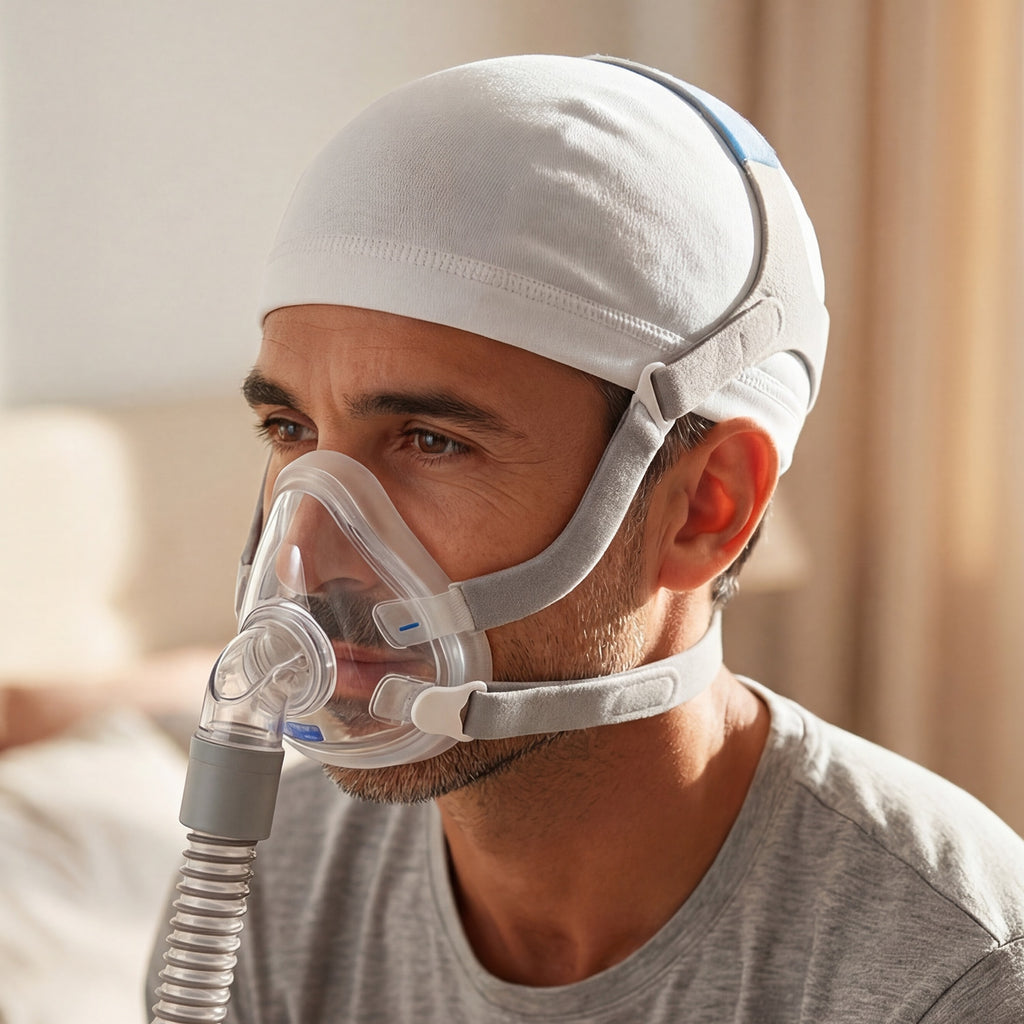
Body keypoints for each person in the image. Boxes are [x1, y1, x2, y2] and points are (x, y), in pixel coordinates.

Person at [148, 55, 1024, 1021]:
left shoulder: (952, 975)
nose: (310, 548)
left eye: (433, 441)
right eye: (292, 431)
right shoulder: (265, 890)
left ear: (706, 509)